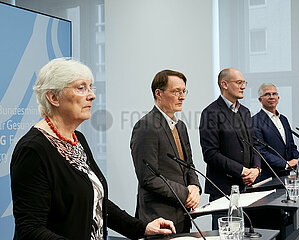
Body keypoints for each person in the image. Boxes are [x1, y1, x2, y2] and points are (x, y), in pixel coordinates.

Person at [10, 58, 176, 240]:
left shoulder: (77, 139)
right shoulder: (33, 150)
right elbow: (30, 229)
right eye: (81, 88)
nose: (92, 95)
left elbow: (97, 201)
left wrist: (142, 228)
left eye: (90, 87)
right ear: (53, 97)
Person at [130, 70, 201, 233]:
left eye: (184, 91)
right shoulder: (146, 126)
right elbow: (148, 178)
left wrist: (195, 187)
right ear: (158, 93)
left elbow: (189, 165)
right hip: (158, 217)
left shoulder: (181, 126)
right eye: (176, 91)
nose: (182, 96)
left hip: (183, 213)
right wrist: (186, 193)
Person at [199, 68, 261, 229]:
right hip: (223, 189)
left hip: (248, 188)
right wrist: (242, 171)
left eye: (244, 83)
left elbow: (254, 145)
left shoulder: (245, 112)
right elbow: (210, 154)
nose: (243, 87)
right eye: (239, 82)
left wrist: (256, 169)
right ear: (224, 84)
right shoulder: (210, 113)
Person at [252, 83, 299, 181]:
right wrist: (286, 164)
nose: (271, 97)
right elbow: (261, 151)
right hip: (268, 177)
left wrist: (298, 161)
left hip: (287, 175)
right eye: (267, 94)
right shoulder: (254, 121)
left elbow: (291, 145)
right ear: (260, 99)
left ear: (278, 98)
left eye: (274, 94)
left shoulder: (283, 119)